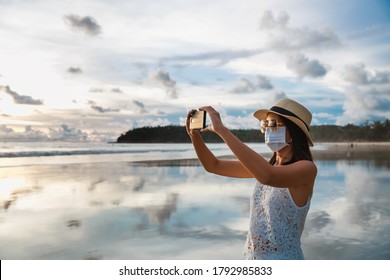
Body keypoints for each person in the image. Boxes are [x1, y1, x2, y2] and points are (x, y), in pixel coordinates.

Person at [186, 98, 317, 260]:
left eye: (272, 124)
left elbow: (268, 176)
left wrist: (222, 130)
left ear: (293, 131)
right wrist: (194, 136)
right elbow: (213, 165)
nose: (267, 130)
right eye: (264, 125)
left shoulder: (306, 169)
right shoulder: (267, 166)